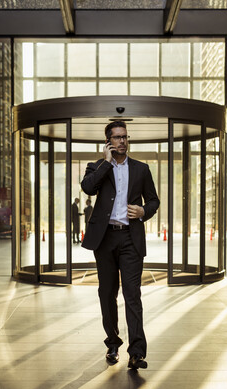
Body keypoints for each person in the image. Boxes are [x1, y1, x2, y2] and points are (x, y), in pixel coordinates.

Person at [81, 120, 160, 370]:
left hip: (130, 237)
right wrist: (105, 162)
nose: (122, 141)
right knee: (107, 293)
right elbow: (88, 188)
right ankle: (113, 343)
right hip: (104, 239)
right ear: (108, 141)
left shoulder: (141, 169)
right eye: (116, 137)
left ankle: (137, 352)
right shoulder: (96, 167)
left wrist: (144, 211)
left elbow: (154, 200)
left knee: (132, 294)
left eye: (125, 137)